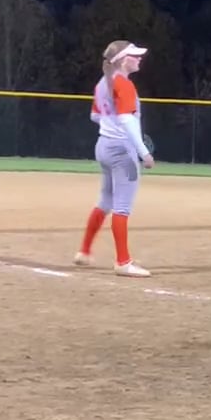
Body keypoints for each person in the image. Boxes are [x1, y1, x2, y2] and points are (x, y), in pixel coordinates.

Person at [75, 40, 155, 277]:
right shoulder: (124, 84)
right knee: (122, 207)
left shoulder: (102, 83)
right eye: (134, 55)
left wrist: (111, 124)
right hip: (122, 151)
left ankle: (84, 251)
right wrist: (143, 152)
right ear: (121, 60)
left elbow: (94, 116)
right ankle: (123, 262)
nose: (139, 59)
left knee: (105, 201)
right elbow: (127, 120)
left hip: (104, 146)